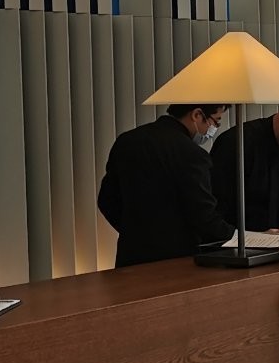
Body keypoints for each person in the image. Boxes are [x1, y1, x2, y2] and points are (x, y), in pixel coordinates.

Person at [98, 103, 235, 265]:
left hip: (130, 256)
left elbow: (106, 200)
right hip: (176, 260)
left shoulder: (126, 141)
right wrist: (239, 238)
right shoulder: (192, 154)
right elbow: (204, 216)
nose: (213, 129)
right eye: (216, 121)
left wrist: (134, 232)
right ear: (197, 115)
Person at [211, 103, 279, 233]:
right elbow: (216, 207)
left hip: (277, 239)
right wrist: (254, 238)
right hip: (234, 239)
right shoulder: (236, 143)